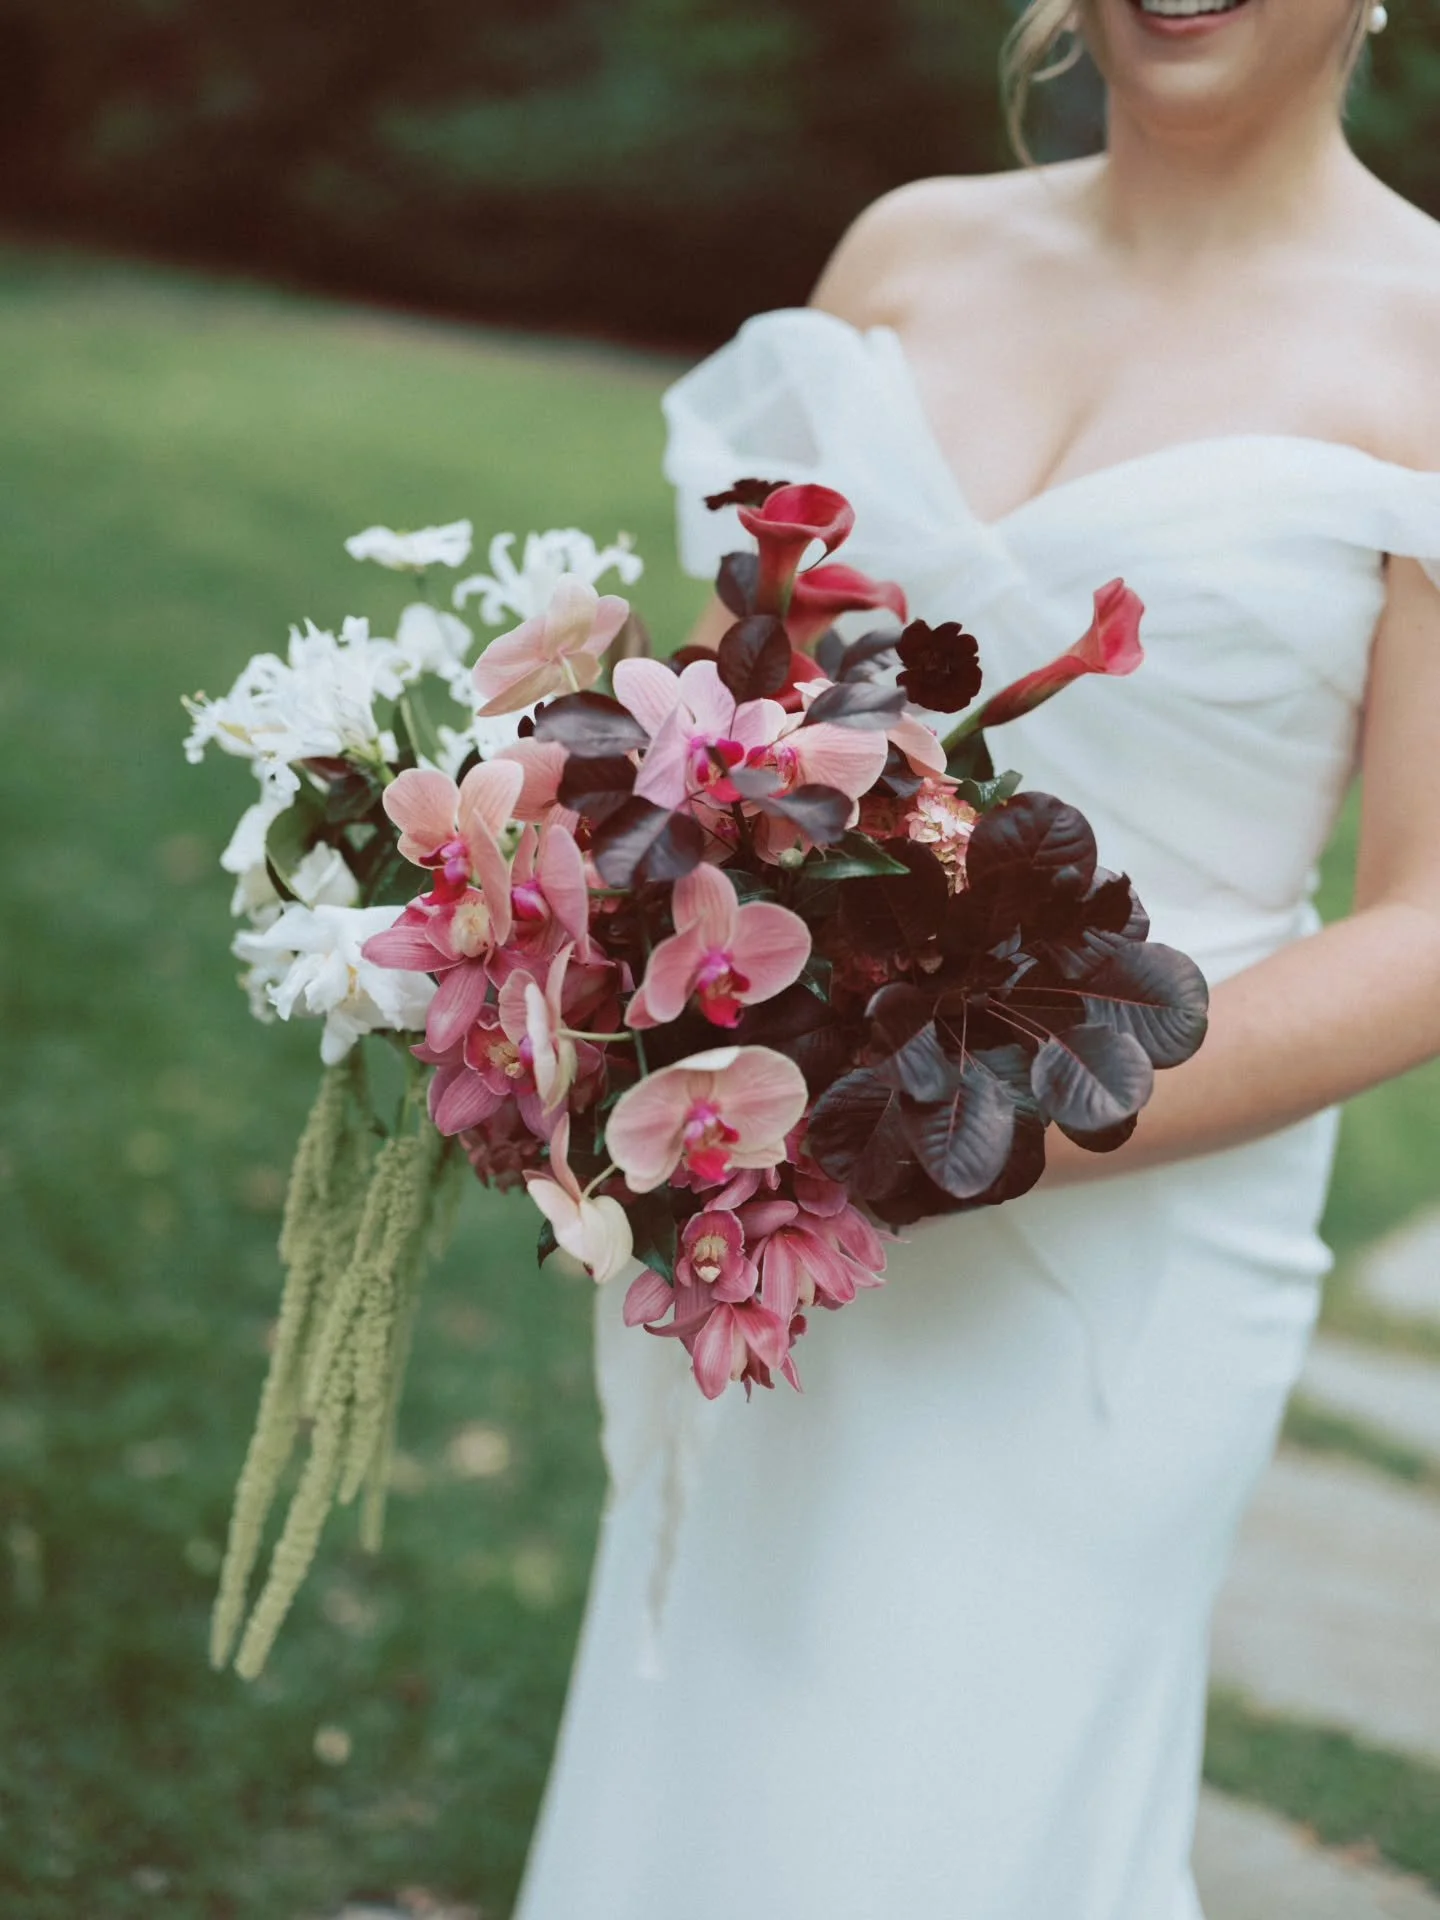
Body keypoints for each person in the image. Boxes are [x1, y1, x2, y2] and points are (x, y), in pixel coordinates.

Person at [513, 3, 1440, 1914]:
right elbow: (719, 736)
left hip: (1125, 1227)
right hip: (766, 1199)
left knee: (952, 1804)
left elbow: (1430, 924)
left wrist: (948, 1136)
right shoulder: (910, 253)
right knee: (715, 1745)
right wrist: (567, 969)